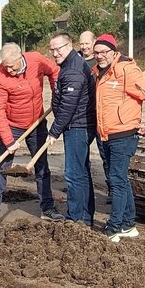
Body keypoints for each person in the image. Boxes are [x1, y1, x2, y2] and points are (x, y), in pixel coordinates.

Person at [0, 43, 64, 226]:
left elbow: (55, 71)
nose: (8, 69)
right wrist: (9, 140)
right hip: (12, 126)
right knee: (2, 166)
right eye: (5, 65)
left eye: (12, 65)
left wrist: (57, 95)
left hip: (37, 122)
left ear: (21, 57)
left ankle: (47, 208)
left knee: (42, 166)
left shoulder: (35, 59)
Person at [93, 34, 145, 242]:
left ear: (114, 52)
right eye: (96, 53)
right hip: (106, 134)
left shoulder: (126, 70)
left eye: (104, 52)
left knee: (116, 180)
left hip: (123, 134)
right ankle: (129, 224)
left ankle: (114, 227)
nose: (100, 56)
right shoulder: (98, 72)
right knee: (120, 179)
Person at [48, 33, 96, 226]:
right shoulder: (71, 63)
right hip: (78, 125)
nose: (54, 53)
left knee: (74, 173)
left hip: (78, 126)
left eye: (57, 49)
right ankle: (84, 216)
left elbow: (69, 106)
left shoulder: (73, 70)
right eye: (51, 50)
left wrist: (54, 131)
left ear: (68, 46)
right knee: (81, 171)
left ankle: (76, 217)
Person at [79, 30, 111, 204]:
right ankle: (82, 189)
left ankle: (112, 188)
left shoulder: (101, 62)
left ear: (94, 43)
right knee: (81, 155)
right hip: (82, 117)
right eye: (81, 43)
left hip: (100, 116)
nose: (84, 47)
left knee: (106, 154)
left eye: (87, 43)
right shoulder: (75, 60)